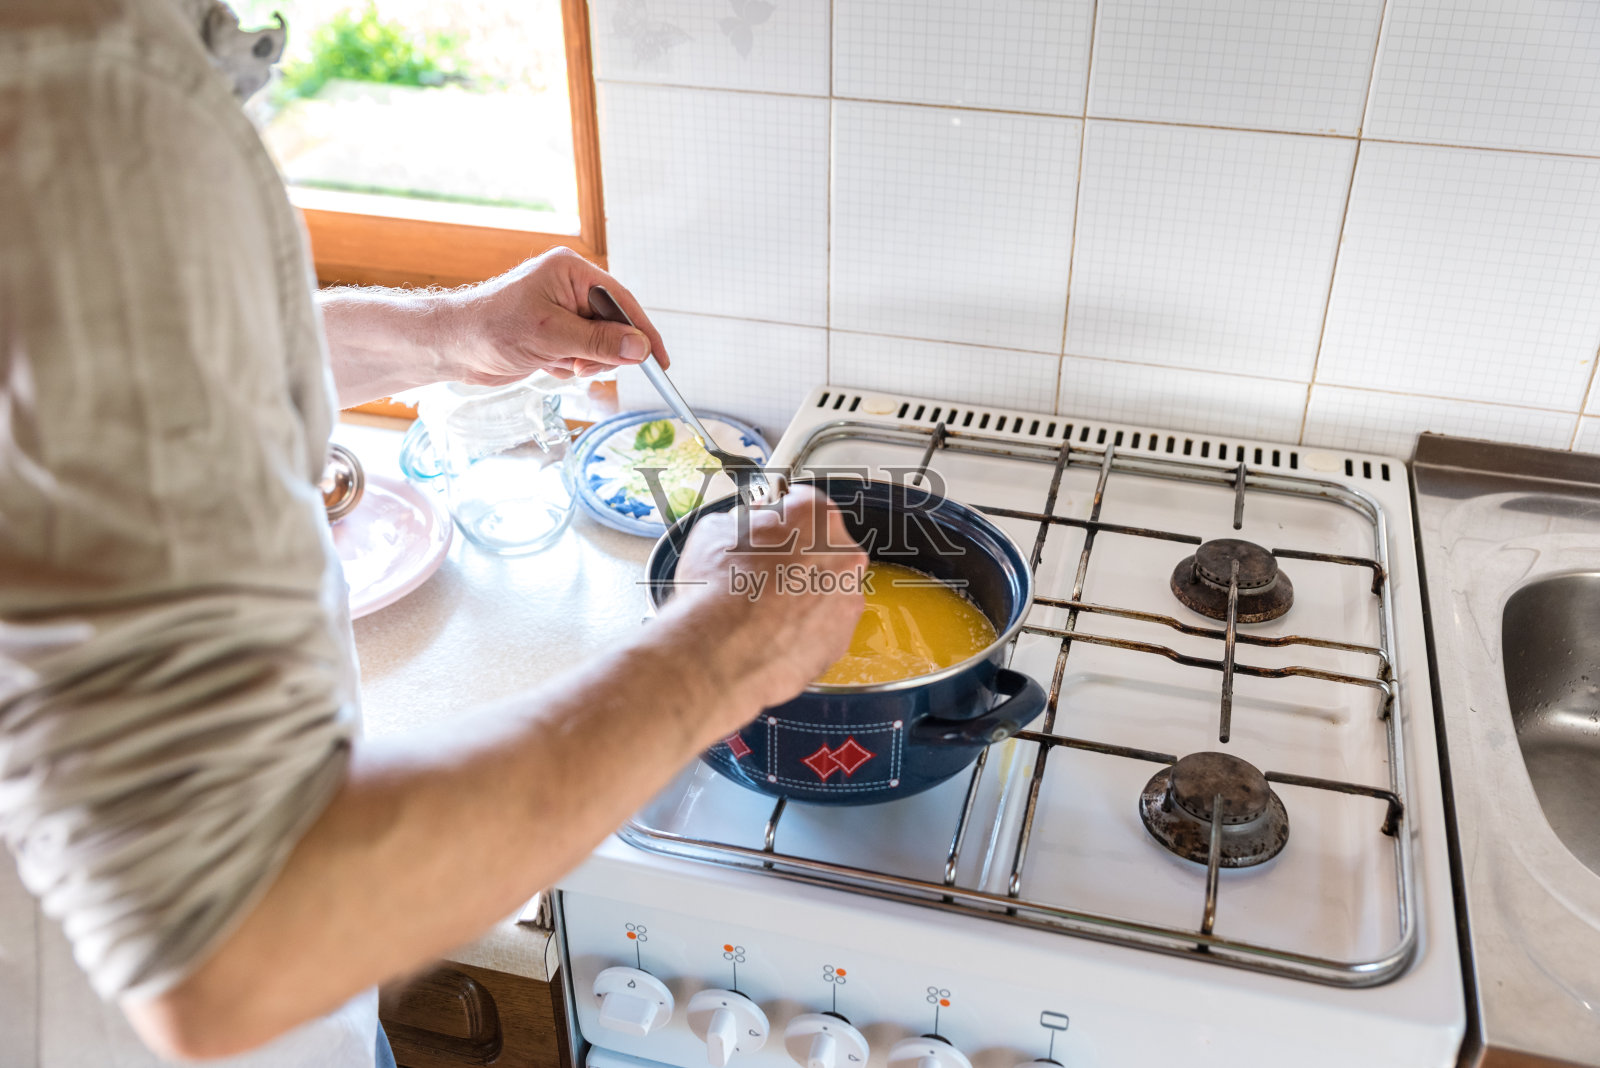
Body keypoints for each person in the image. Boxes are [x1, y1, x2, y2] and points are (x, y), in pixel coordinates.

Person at [0, 0, 866, 1064]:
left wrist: (452, 335)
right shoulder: (84, 95)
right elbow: (230, 944)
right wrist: (733, 649)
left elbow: (117, 383)